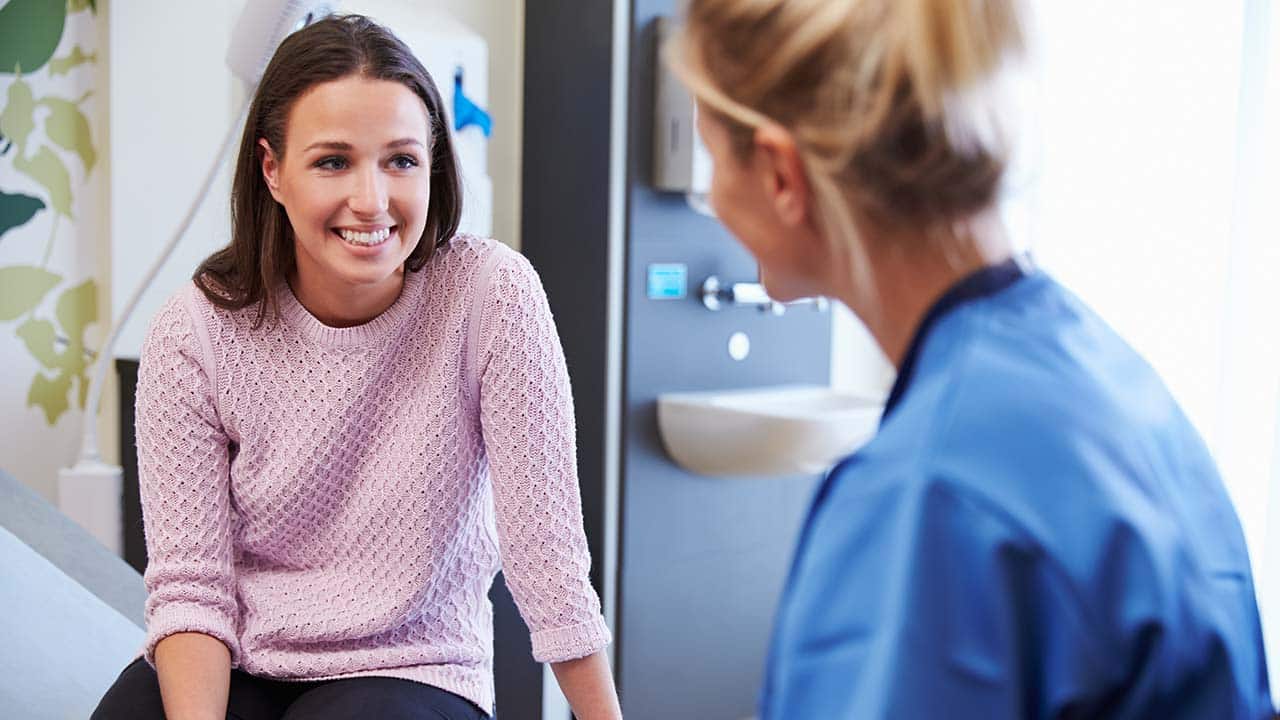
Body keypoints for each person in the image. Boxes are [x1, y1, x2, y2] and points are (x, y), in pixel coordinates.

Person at [670, 0, 1273, 717]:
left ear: (778, 174)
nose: (710, 197)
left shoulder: (931, 492)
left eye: (712, 158)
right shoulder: (1104, 374)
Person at [92, 14, 622, 720]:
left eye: (401, 160)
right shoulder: (197, 330)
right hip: (244, 656)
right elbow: (191, 588)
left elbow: (547, 560)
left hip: (414, 665)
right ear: (272, 170)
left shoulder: (492, 295)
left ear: (433, 164)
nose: (371, 201)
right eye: (333, 161)